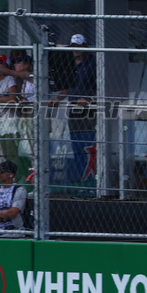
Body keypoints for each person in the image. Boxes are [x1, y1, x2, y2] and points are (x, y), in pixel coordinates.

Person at [49, 34, 97, 184]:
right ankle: (79, 176)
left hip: (89, 110)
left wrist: (89, 99)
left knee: (89, 142)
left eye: (78, 46)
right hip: (73, 108)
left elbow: (101, 86)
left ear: (85, 47)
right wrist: (57, 99)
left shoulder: (93, 63)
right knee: (76, 142)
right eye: (73, 47)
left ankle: (92, 178)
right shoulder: (69, 64)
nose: (75, 50)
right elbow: (67, 88)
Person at [0, 159, 27, 236]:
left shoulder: (19, 190)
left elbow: (12, 213)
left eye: (2, 171)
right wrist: (2, 218)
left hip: (15, 233)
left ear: (11, 174)